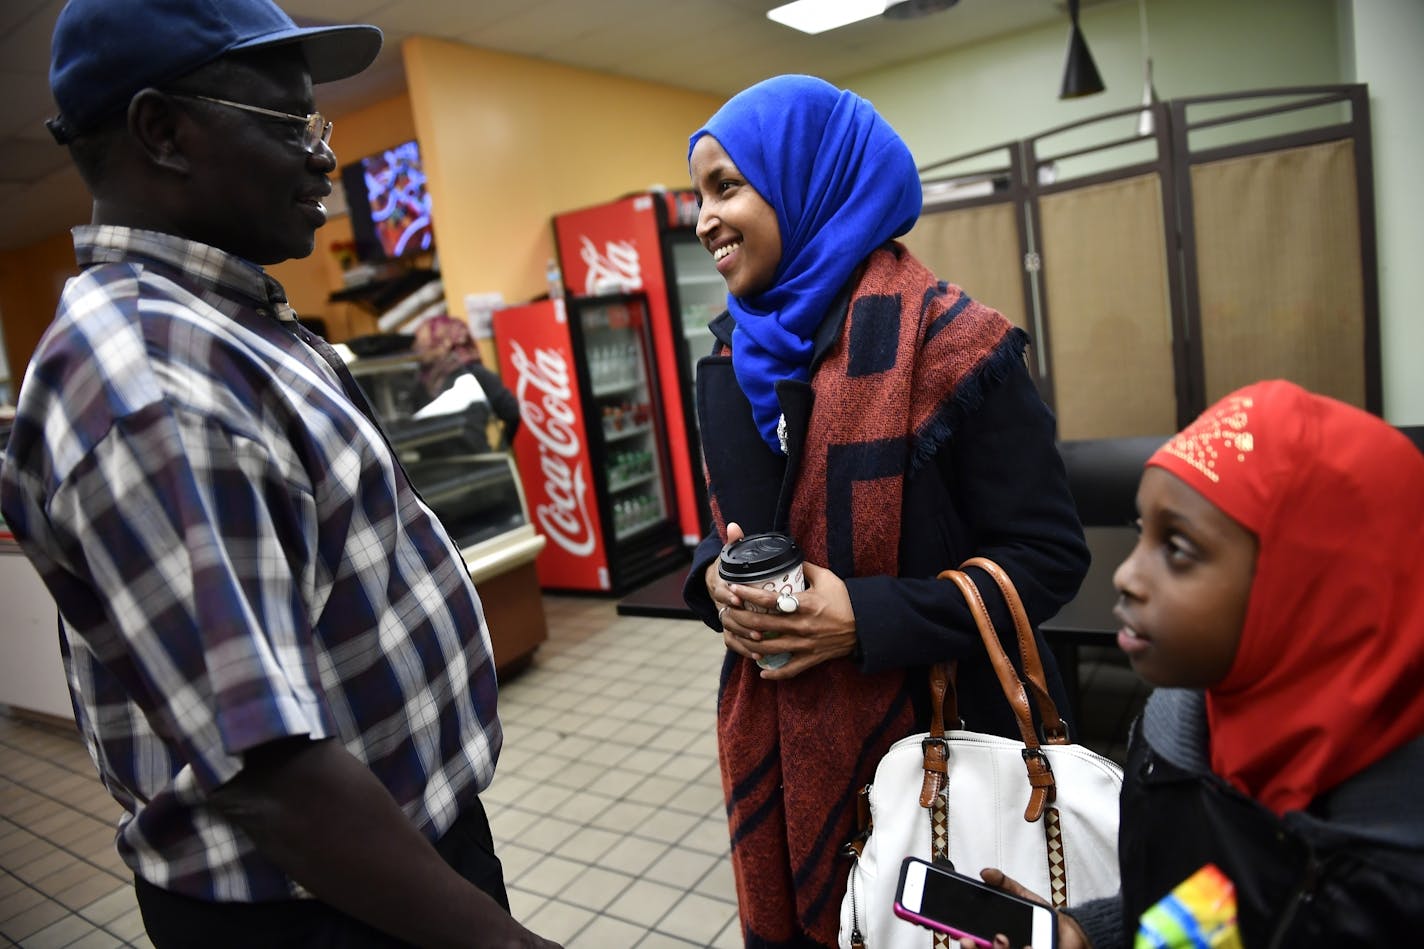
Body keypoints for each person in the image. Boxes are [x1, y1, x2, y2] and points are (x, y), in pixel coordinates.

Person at [0, 1, 559, 946]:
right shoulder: (148, 384)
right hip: (325, 903)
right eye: (289, 122)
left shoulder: (227, 323)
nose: (323, 157)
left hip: (396, 863)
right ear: (163, 131)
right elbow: (275, 779)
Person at [680, 74, 1090, 948]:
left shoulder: (957, 347)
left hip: (947, 736)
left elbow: (1050, 556)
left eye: (727, 186)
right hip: (784, 743)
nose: (704, 218)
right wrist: (715, 582)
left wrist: (861, 618)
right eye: (697, 196)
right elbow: (727, 537)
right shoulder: (731, 360)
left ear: (809, 178)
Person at [975, 379, 1424, 947]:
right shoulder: (1175, 734)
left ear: (1307, 587)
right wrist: (1087, 933)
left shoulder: (1395, 868)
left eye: (1178, 549)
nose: (1127, 575)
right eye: (1143, 534)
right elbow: (1203, 900)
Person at [411, 314, 521, 451]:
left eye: (426, 346)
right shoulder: (421, 382)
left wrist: (500, 453)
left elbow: (512, 412)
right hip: (436, 468)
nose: (418, 351)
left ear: (445, 343)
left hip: (478, 466)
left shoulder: (475, 374)